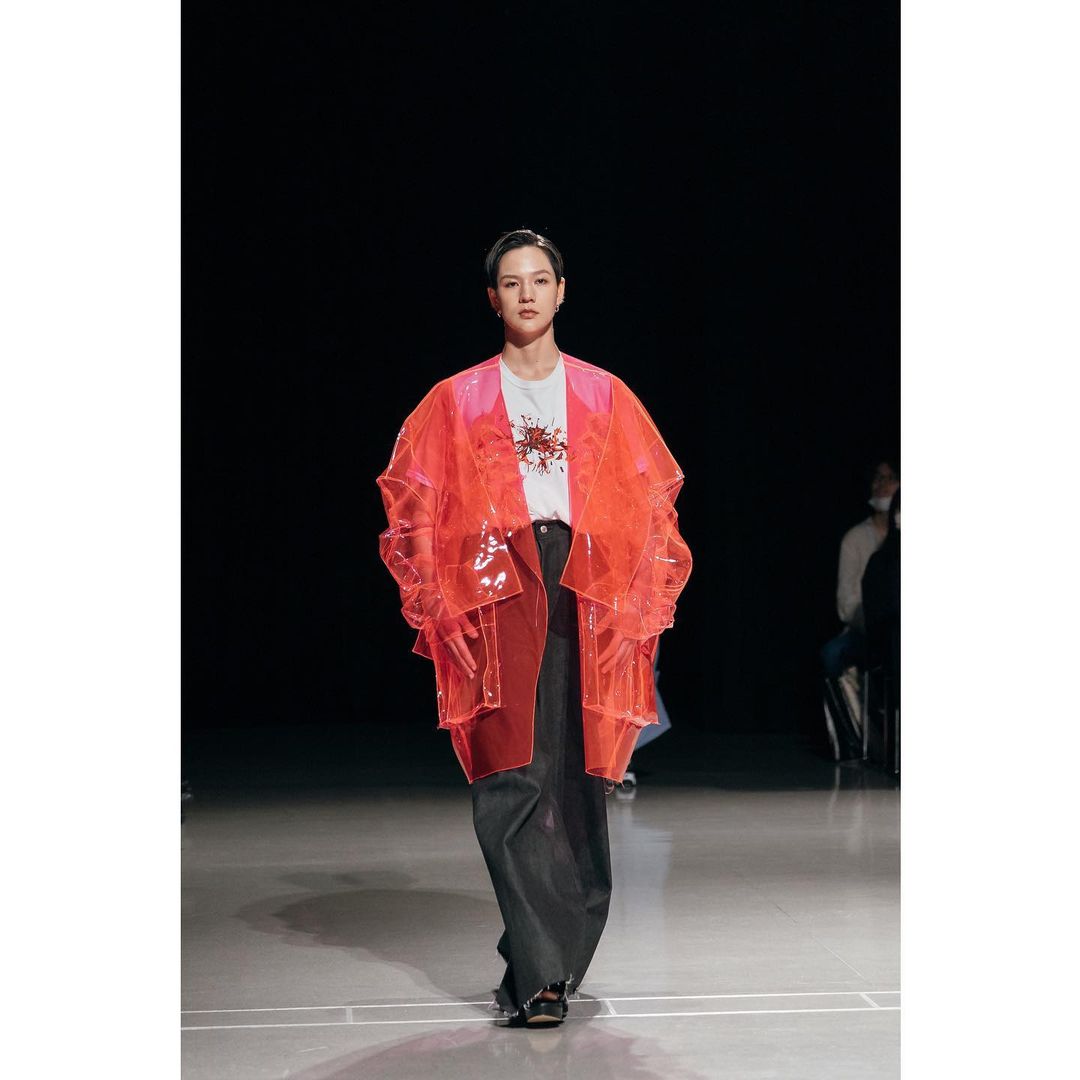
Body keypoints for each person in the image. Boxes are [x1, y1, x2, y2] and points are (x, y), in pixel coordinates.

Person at [376, 229, 692, 1027]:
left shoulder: (603, 394)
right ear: (493, 298)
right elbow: (414, 501)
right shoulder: (457, 398)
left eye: (540, 280)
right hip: (495, 578)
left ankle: (545, 959)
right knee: (508, 769)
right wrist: (439, 593)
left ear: (561, 291)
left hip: (581, 574)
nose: (526, 294)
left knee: (578, 773)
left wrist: (635, 597)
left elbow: (653, 502)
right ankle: (543, 975)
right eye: (511, 282)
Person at [821, 460, 899, 729]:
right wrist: (878, 625)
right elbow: (847, 604)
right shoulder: (856, 539)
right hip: (868, 630)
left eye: (890, 478)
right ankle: (861, 734)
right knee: (833, 655)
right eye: (878, 478)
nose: (882, 485)